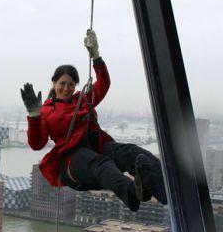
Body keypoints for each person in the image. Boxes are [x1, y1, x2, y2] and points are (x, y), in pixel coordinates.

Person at [20, 29, 167, 211]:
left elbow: (103, 84)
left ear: (75, 86)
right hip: (72, 159)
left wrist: (96, 56)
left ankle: (166, 191)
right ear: (54, 83)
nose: (66, 88)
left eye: (71, 84)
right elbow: (37, 144)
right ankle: (133, 193)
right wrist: (34, 115)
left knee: (132, 152)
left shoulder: (82, 100)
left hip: (97, 147)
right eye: (62, 84)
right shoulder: (46, 111)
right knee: (101, 165)